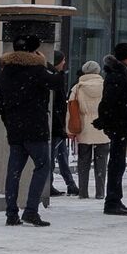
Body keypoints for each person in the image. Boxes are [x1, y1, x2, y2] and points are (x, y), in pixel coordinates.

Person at [0, 35, 60, 227]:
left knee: (14, 170)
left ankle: (11, 213)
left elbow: (0, 104)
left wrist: (9, 121)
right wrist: (46, 64)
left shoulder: (6, 71)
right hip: (35, 127)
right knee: (42, 166)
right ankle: (31, 210)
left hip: (15, 129)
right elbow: (57, 82)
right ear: (34, 51)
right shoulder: (37, 70)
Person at [96, 42, 127, 216]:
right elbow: (109, 102)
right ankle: (112, 200)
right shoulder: (117, 76)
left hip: (119, 124)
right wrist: (107, 121)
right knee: (116, 163)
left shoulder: (120, 74)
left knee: (117, 163)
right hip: (118, 125)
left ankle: (115, 199)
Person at [69, 62, 109, 201]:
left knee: (83, 162)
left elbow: (71, 109)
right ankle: (100, 192)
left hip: (84, 127)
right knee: (101, 163)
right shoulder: (105, 86)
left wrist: (70, 128)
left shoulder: (77, 88)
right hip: (102, 128)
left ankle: (83, 192)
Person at [48, 52, 79, 201]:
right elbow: (57, 106)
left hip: (58, 125)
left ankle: (70, 184)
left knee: (62, 155)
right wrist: (60, 125)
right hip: (57, 126)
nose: (64, 63)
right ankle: (53, 184)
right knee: (55, 156)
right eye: (63, 61)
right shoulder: (55, 79)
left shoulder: (56, 78)